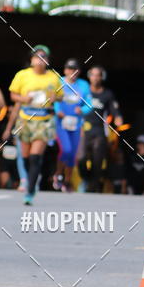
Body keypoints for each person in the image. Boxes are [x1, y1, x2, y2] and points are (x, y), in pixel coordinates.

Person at [8, 45, 62, 205]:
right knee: (25, 158)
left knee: (35, 157)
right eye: (36, 57)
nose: (40, 60)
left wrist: (54, 98)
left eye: (43, 57)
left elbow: (60, 97)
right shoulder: (22, 75)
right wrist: (23, 99)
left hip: (44, 120)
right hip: (25, 118)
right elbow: (13, 95)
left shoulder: (53, 77)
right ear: (31, 60)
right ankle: (31, 177)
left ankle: (30, 190)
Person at [78, 65, 122, 193]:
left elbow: (114, 110)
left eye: (98, 75)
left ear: (102, 77)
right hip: (83, 128)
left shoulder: (107, 94)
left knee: (97, 160)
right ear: (89, 77)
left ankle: (93, 187)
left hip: (99, 131)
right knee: (81, 158)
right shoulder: (84, 92)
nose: (95, 78)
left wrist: (118, 117)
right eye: (93, 75)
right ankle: (86, 179)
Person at [53, 58, 91, 192]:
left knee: (72, 154)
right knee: (66, 149)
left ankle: (67, 181)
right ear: (65, 70)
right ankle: (58, 174)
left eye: (74, 69)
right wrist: (58, 111)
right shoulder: (59, 82)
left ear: (78, 71)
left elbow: (89, 103)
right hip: (61, 123)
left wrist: (82, 110)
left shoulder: (84, 85)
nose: (71, 72)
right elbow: (55, 99)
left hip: (76, 123)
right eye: (69, 69)